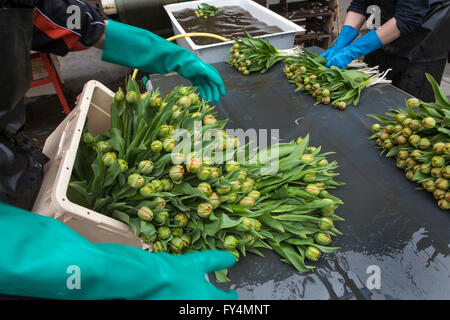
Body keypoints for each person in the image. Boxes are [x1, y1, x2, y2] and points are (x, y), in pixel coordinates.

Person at [0, 0, 236, 299]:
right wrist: (143, 276)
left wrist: (171, 54)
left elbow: (76, 23)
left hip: (13, 162)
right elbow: (14, 253)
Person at [322, 0, 450, 101]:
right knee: (373, 83)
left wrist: (354, 50)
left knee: (409, 97)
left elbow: (407, 18)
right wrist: (342, 42)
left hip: (426, 27)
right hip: (390, 17)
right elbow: (360, 4)